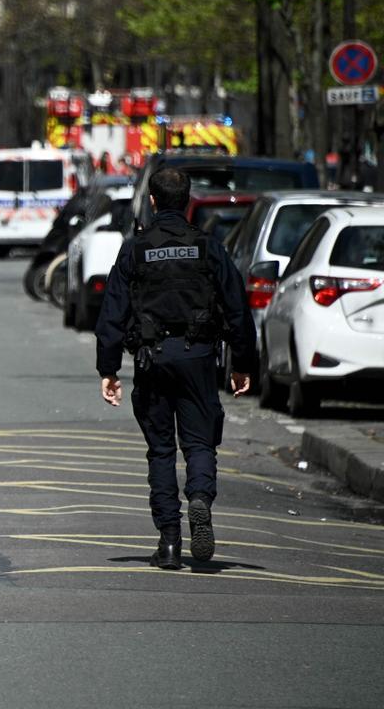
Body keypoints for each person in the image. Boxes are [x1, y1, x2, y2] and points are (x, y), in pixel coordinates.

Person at [95, 167, 255, 569]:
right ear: (187, 201)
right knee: (200, 442)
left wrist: (109, 369)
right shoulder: (208, 247)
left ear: (151, 201)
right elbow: (237, 306)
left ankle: (169, 541)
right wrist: (243, 363)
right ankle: (200, 497)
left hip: (152, 359)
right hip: (198, 356)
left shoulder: (135, 248)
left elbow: (112, 312)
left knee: (161, 450)